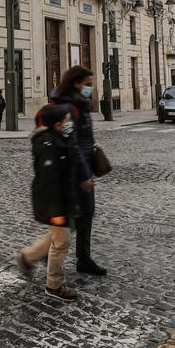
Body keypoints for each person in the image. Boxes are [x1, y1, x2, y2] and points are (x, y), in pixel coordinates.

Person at [13, 104, 93, 301]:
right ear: (57, 124)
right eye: (66, 121)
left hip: (64, 200)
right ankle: (54, 285)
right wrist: (55, 212)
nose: (69, 124)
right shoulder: (48, 145)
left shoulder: (61, 139)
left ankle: (27, 257)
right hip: (54, 203)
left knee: (57, 237)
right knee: (61, 243)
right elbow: (49, 183)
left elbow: (71, 162)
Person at [49, 65, 105, 276]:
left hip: (80, 166)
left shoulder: (78, 103)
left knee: (79, 215)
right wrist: (84, 174)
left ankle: (83, 258)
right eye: (87, 84)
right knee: (74, 216)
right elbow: (72, 143)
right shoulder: (70, 108)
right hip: (74, 170)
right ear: (76, 83)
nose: (90, 88)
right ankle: (35, 255)